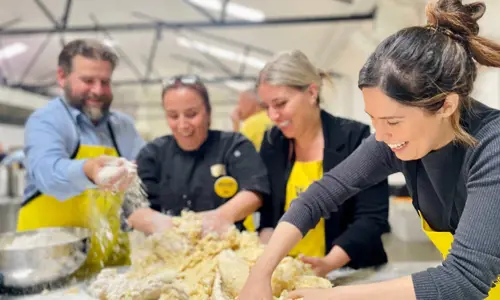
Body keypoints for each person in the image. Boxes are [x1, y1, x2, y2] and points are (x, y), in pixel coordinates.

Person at [239, 1, 500, 299]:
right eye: (373, 119)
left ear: (446, 105)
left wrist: (327, 296)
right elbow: (318, 196)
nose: (381, 134)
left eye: (392, 120)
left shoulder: (493, 148)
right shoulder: (398, 138)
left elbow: (462, 279)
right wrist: (260, 273)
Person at [256, 50, 389, 277]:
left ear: (311, 92)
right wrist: (265, 260)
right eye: (266, 106)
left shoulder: (354, 137)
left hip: (348, 269)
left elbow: (371, 219)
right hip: (290, 271)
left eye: (280, 104)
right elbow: (269, 215)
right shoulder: (273, 143)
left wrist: (328, 263)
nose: (273, 115)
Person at [18, 39, 145, 274]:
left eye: (105, 82)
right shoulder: (46, 121)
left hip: (110, 262)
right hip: (51, 264)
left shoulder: (123, 126)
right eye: (88, 81)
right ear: (62, 76)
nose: (97, 90)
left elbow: (147, 173)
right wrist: (88, 170)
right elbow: (47, 173)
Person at [127, 75, 270, 236]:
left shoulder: (233, 146)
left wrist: (220, 217)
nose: (183, 125)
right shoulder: (152, 154)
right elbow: (133, 205)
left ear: (208, 112)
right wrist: (166, 226)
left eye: (191, 114)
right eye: (173, 116)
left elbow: (254, 191)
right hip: (170, 249)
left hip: (227, 249)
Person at [231, 89, 273, 232]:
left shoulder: (251, 124)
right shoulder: (273, 119)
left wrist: (236, 123)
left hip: (258, 187)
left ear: (253, 103)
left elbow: (235, 153)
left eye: (240, 103)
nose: (238, 108)